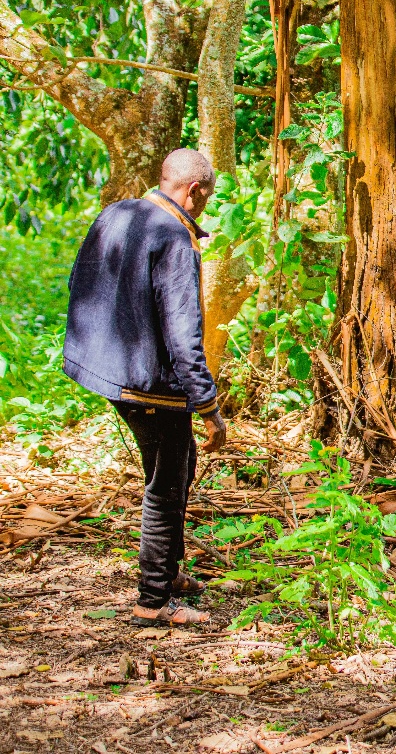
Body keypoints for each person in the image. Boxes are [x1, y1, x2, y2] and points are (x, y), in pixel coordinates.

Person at [64, 148, 228, 627]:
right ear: (194, 190)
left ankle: (170, 571)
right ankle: (153, 600)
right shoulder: (175, 237)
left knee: (179, 463)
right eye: (206, 197)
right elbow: (184, 332)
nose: (203, 206)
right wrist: (208, 405)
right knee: (166, 481)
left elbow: (80, 280)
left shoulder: (116, 213)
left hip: (108, 371)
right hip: (147, 384)